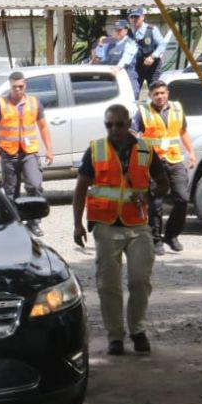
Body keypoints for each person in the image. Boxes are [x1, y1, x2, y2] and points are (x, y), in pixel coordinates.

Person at [72, 104, 169, 356]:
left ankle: (137, 330)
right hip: (105, 227)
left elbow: (164, 183)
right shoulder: (96, 150)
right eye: (109, 124)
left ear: (128, 124)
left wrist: (148, 196)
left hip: (138, 226)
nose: (113, 129)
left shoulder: (146, 149)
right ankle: (115, 336)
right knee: (108, 285)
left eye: (119, 124)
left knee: (139, 281)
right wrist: (77, 224)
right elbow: (81, 188)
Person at [134, 79, 197, 255]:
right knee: (156, 203)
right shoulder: (143, 112)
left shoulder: (177, 108)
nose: (160, 97)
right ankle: (155, 240)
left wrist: (191, 153)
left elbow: (183, 131)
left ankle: (171, 235)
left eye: (163, 93)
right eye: (156, 94)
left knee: (182, 199)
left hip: (174, 159)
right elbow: (132, 133)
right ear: (150, 96)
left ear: (167, 93)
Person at [0, 71, 54, 236]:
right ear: (10, 86)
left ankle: (34, 221)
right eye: (14, 87)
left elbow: (43, 127)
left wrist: (49, 149)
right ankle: (14, 222)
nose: (18, 89)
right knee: (11, 190)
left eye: (21, 86)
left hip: (29, 152)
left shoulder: (34, 103)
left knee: (35, 184)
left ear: (25, 85)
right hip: (9, 153)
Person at [128, 7, 167, 92]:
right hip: (137, 67)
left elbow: (162, 44)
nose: (134, 19)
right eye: (132, 17)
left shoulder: (152, 29)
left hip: (153, 66)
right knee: (133, 91)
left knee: (155, 90)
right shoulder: (128, 32)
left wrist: (152, 57)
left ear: (142, 17)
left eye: (137, 17)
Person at [103, 19, 139, 98]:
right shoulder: (110, 43)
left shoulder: (131, 44)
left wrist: (118, 68)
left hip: (127, 78)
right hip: (112, 78)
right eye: (115, 30)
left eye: (119, 30)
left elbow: (126, 58)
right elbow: (103, 59)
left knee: (131, 100)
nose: (117, 32)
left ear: (126, 30)